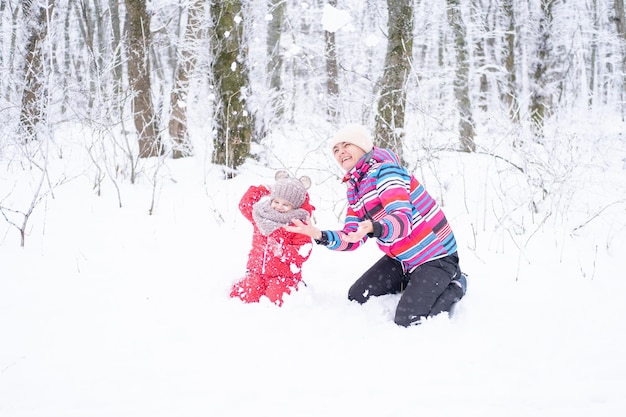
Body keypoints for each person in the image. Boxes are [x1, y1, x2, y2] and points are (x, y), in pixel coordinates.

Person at [285, 124, 467, 326]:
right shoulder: (356, 188)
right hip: (402, 259)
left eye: (346, 145)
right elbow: (352, 237)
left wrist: (374, 227)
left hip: (436, 257)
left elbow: (402, 221)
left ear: (363, 145)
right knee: (357, 296)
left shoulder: (386, 172)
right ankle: (414, 281)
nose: (340, 152)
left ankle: (457, 283)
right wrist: (318, 234)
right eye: (335, 150)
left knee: (408, 320)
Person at [230, 170, 315, 306]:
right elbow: (245, 204)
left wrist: (283, 251)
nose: (279, 207)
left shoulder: (297, 224)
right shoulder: (261, 216)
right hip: (256, 272)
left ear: (295, 206)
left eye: (286, 204)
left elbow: (303, 251)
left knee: (276, 298)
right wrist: (264, 188)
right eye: (276, 201)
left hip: (283, 276)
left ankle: (297, 288)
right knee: (245, 294)